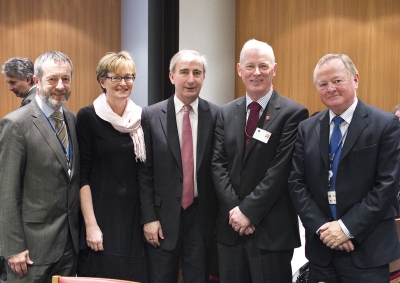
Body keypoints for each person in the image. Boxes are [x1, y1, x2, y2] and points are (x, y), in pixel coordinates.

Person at [289, 54, 400, 283]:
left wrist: (346, 228)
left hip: (367, 250)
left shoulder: (385, 125)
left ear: (355, 79)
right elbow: (296, 183)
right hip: (322, 250)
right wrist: (323, 229)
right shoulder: (306, 129)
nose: (330, 88)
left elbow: (387, 186)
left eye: (337, 80)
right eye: (323, 84)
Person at [212, 39, 308, 283]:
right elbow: (218, 165)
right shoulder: (225, 113)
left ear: (274, 69)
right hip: (231, 229)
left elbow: (281, 170)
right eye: (250, 66)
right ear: (239, 69)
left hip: (271, 231)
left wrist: (249, 212)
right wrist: (236, 212)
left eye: (263, 66)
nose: (256, 73)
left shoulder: (293, 113)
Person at [139, 49, 219, 283]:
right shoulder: (150, 115)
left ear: (204, 77)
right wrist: (149, 218)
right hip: (162, 219)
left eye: (197, 72)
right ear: (172, 76)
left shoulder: (216, 116)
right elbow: (144, 173)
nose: (191, 79)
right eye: (184, 72)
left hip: (201, 217)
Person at [0, 51, 80, 283]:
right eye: (52, 79)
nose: (60, 86)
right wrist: (13, 248)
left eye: (66, 79)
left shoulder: (71, 120)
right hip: (31, 250)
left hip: (68, 246)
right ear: (36, 80)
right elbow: (7, 192)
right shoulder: (15, 124)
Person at [76, 51, 148, 282]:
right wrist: (91, 226)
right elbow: (82, 177)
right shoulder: (88, 116)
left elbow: (146, 172)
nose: (123, 83)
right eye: (115, 77)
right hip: (102, 218)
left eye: (129, 77)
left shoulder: (142, 118)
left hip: (134, 222)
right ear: (102, 81)